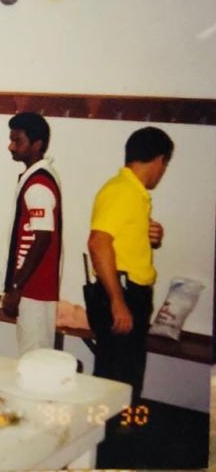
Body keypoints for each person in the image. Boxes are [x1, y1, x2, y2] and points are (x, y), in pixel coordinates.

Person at [87, 126, 173, 404]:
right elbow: (98, 243)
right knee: (119, 383)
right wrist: (118, 301)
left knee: (122, 379)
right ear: (159, 160)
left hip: (126, 293)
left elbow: (120, 238)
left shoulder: (131, 192)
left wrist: (150, 234)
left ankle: (112, 440)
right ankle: (110, 444)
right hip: (123, 294)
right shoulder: (123, 191)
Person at [1, 112, 62, 355]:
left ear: (37, 145)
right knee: (33, 355)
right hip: (32, 288)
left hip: (34, 291)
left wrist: (17, 287)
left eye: (18, 141)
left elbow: (43, 238)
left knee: (34, 358)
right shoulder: (34, 179)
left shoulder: (38, 185)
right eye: (10, 140)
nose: (10, 146)